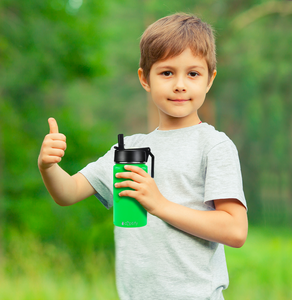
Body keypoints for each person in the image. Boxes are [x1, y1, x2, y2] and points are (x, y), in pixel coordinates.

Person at [38, 13, 248, 300]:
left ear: (209, 80)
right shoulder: (127, 151)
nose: (180, 85)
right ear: (144, 78)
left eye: (193, 73)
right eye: (166, 72)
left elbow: (235, 230)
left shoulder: (214, 146)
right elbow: (68, 192)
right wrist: (48, 166)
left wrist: (159, 204)